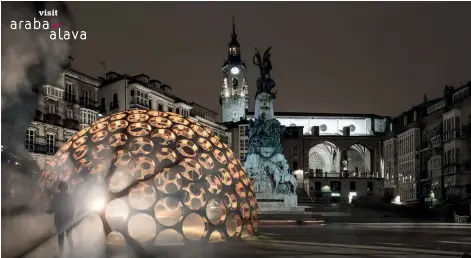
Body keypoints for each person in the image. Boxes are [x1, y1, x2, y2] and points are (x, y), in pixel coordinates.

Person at [47, 181, 75, 255]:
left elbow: (52, 209)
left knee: (60, 237)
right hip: (68, 220)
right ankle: (72, 252)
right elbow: (73, 209)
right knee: (69, 236)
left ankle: (61, 253)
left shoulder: (56, 197)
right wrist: (71, 218)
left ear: (59, 188)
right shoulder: (70, 197)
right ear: (67, 188)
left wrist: (46, 211)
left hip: (59, 220)